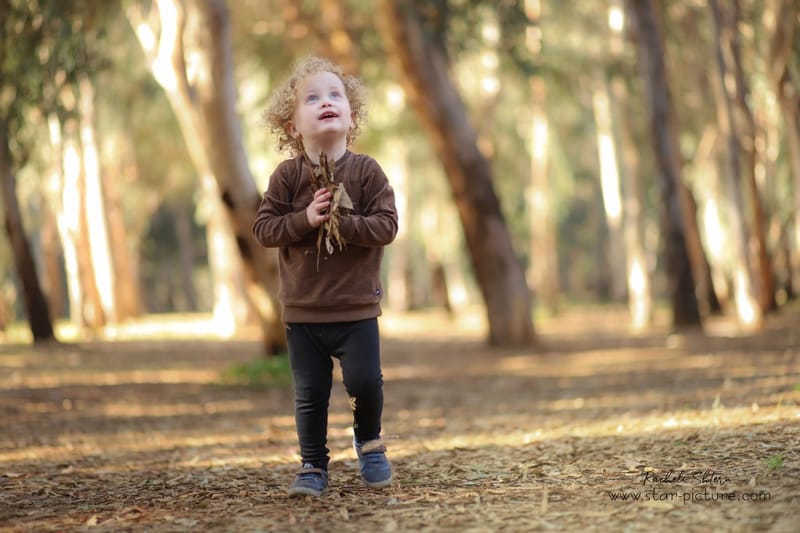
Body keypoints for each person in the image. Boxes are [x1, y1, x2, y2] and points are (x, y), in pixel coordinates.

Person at [252, 56, 398, 497]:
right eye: (312, 99)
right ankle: (313, 465)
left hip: (356, 308)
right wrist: (305, 219)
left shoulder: (367, 171)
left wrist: (345, 221)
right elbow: (264, 230)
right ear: (293, 125)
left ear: (351, 117)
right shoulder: (286, 177)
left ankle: (369, 443)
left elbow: (387, 227)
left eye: (335, 95)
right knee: (310, 395)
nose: (325, 102)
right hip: (304, 312)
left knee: (365, 382)